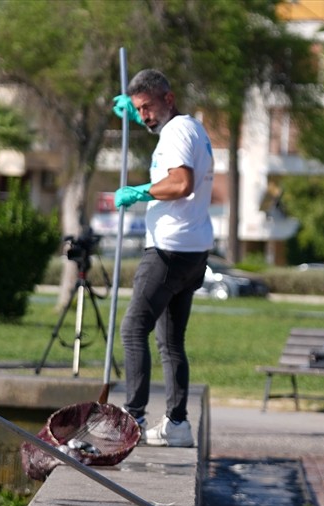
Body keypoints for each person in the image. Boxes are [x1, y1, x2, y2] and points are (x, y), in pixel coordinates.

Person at [111, 69, 214, 447]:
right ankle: (177, 424)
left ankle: (132, 418)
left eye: (148, 107)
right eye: (138, 110)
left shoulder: (176, 132)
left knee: (133, 328)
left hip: (170, 250)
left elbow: (182, 182)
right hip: (193, 248)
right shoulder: (190, 129)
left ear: (169, 99)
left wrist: (141, 192)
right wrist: (133, 114)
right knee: (170, 341)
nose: (144, 116)